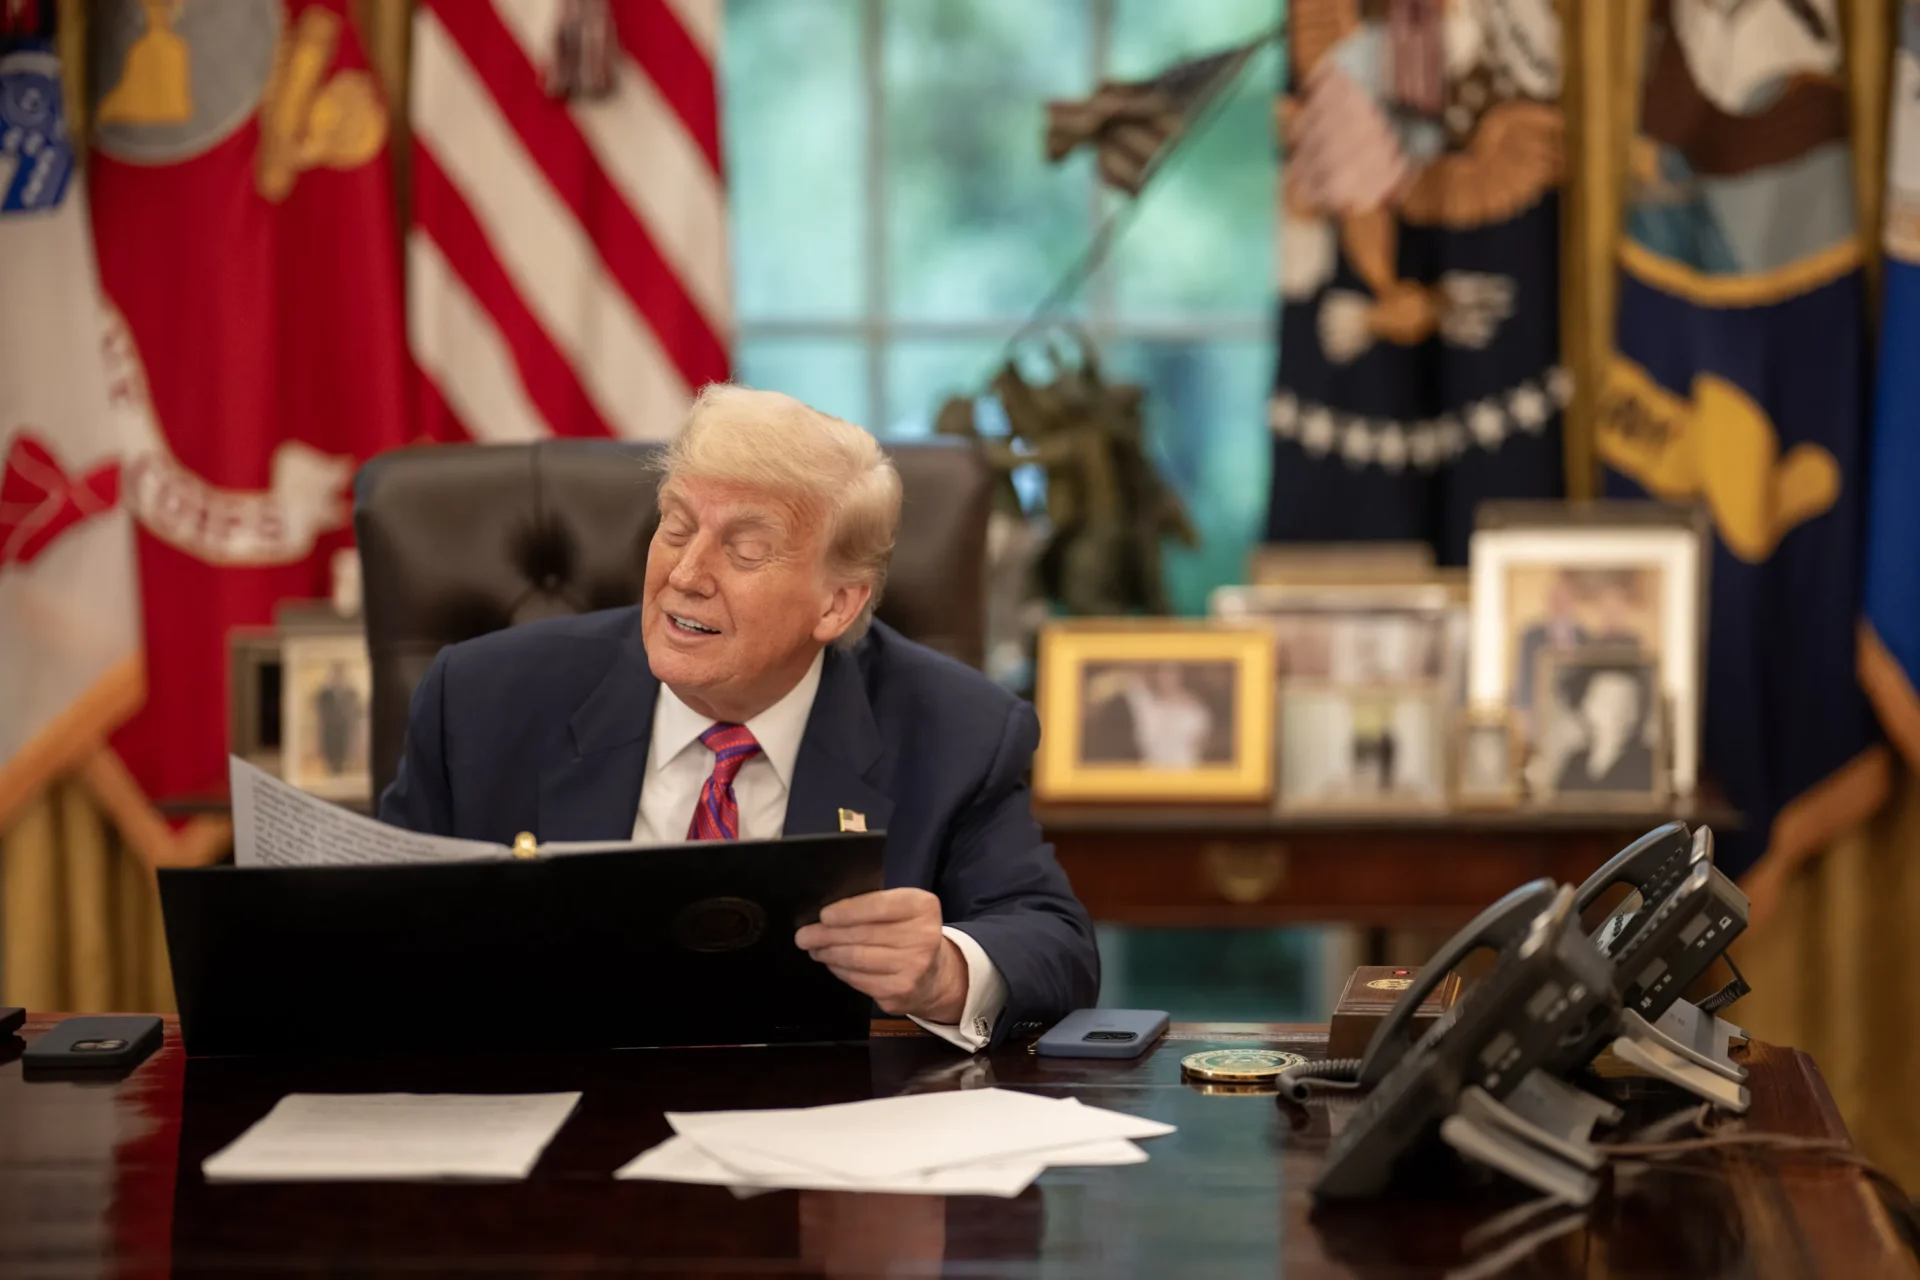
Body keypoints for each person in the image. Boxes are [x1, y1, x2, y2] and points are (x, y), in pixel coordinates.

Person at [379, 386, 1099, 1050]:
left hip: (817, 1143)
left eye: (745, 549)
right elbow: (381, 934)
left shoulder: (957, 730)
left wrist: (943, 971)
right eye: (676, 527)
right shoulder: (482, 699)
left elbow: (1054, 943)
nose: (686, 575)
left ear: (836, 604)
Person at [1554, 665, 1657, 794]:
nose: (1617, 715)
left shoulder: (1648, 765)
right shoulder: (1575, 763)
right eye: (1608, 703)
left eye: (1627, 704)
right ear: (1586, 707)